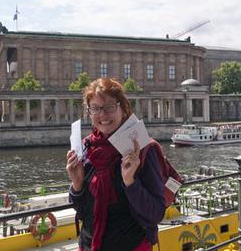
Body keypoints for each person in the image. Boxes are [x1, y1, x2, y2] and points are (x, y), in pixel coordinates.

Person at [66, 78, 166, 251]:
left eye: (110, 107)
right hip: (89, 245)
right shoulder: (86, 148)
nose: (102, 115)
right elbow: (82, 212)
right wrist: (76, 185)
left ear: (123, 108)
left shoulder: (143, 149)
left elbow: (156, 214)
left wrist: (131, 183)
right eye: (95, 109)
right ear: (89, 112)